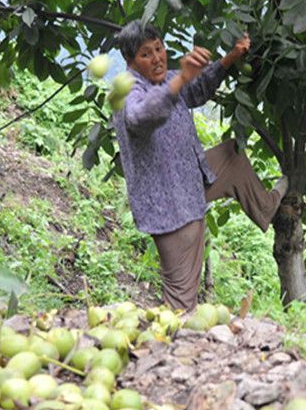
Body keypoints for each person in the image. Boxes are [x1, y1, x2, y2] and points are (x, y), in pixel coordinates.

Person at [112, 20, 288, 312]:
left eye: (159, 48)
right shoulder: (127, 91)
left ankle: (265, 206)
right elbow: (142, 116)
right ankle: (172, 336)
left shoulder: (166, 80)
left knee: (232, 156)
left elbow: (198, 88)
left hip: (192, 180)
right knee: (181, 303)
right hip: (169, 209)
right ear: (130, 61)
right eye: (146, 54)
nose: (157, 58)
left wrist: (231, 57)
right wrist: (180, 78)